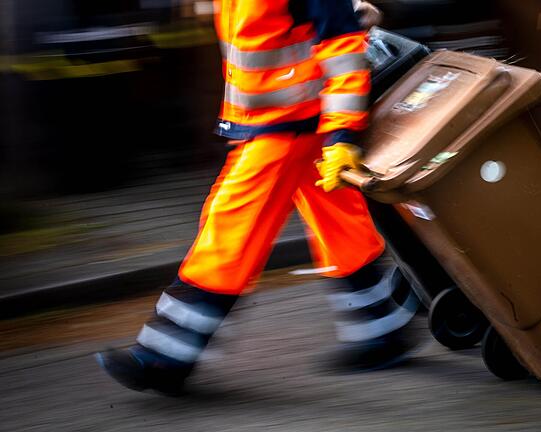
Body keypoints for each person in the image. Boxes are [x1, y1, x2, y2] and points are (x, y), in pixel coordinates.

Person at [95, 0, 419, 395]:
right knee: (339, 223)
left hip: (290, 123)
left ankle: (166, 353)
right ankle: (381, 329)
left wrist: (343, 135)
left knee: (232, 228)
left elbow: (342, 52)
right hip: (280, 118)